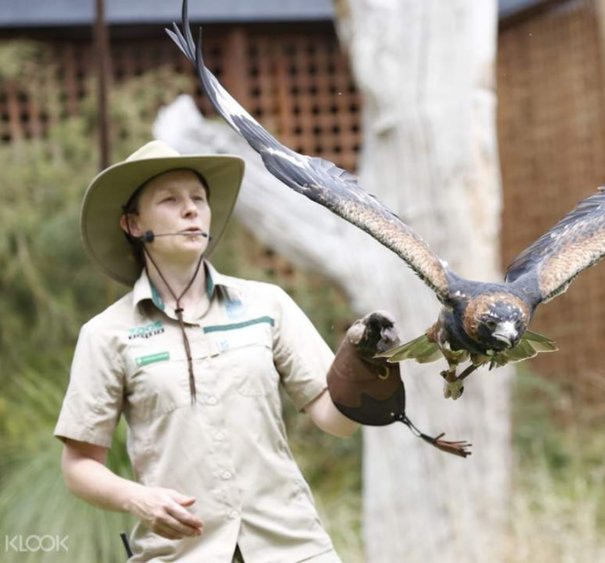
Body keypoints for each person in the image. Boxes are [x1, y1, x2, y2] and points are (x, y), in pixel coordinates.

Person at [54, 140, 388, 562]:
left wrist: (366, 364)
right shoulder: (106, 334)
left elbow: (336, 421)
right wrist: (138, 499)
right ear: (133, 225)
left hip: (292, 548)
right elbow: (78, 466)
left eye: (198, 198)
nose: (192, 210)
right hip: (180, 553)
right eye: (170, 200)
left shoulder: (268, 305)